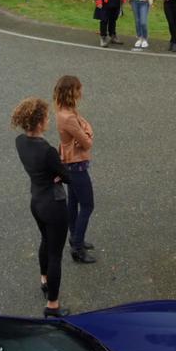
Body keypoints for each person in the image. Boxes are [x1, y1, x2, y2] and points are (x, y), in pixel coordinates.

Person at [11, 97, 72, 317]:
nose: (48, 120)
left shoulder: (20, 141)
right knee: (56, 254)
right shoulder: (48, 151)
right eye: (46, 117)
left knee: (45, 241)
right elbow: (67, 177)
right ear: (38, 123)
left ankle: (44, 279)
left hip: (36, 201)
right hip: (53, 206)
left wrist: (54, 172)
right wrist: (60, 170)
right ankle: (52, 305)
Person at [53, 75, 97, 264]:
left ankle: (74, 236)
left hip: (69, 162)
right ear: (72, 92)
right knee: (87, 205)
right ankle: (77, 247)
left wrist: (84, 128)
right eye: (79, 89)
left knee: (74, 202)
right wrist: (88, 131)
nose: (81, 92)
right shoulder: (69, 117)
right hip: (76, 165)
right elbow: (86, 143)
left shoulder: (64, 111)